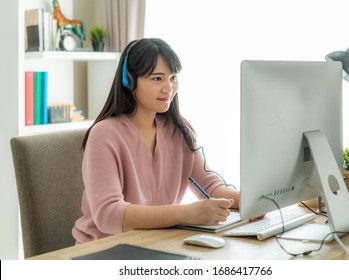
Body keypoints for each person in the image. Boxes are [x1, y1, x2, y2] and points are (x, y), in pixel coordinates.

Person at [72, 38, 240, 243]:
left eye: (173, 77)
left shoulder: (179, 131)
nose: (169, 88)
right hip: (103, 250)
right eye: (157, 79)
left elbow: (210, 186)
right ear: (129, 81)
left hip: (155, 243)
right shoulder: (104, 134)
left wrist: (252, 200)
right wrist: (186, 213)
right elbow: (108, 214)